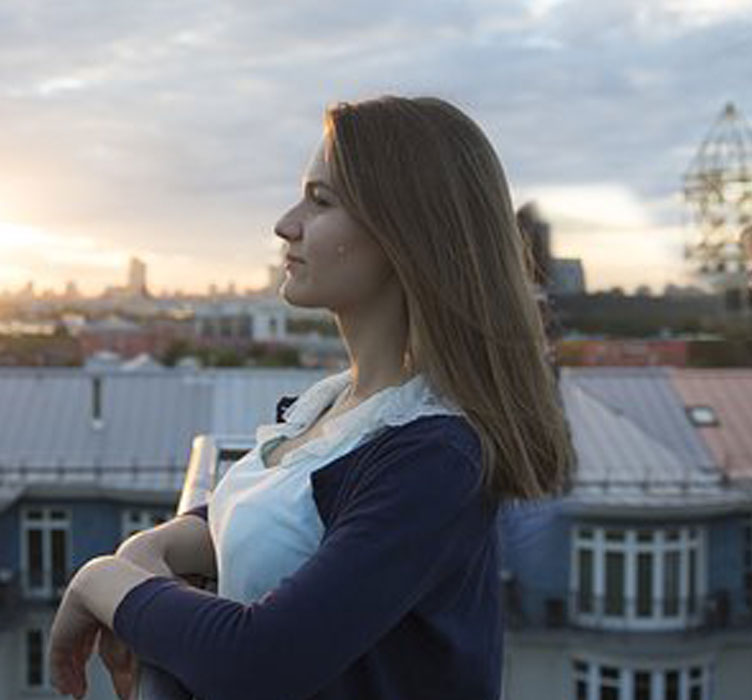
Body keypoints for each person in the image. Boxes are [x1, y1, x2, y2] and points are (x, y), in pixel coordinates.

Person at [48, 95, 575, 700]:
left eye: (321, 201)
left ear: (405, 236)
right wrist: (161, 542)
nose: (285, 224)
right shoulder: (336, 406)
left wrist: (102, 580)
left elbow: (257, 662)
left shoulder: (434, 452)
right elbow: (300, 520)